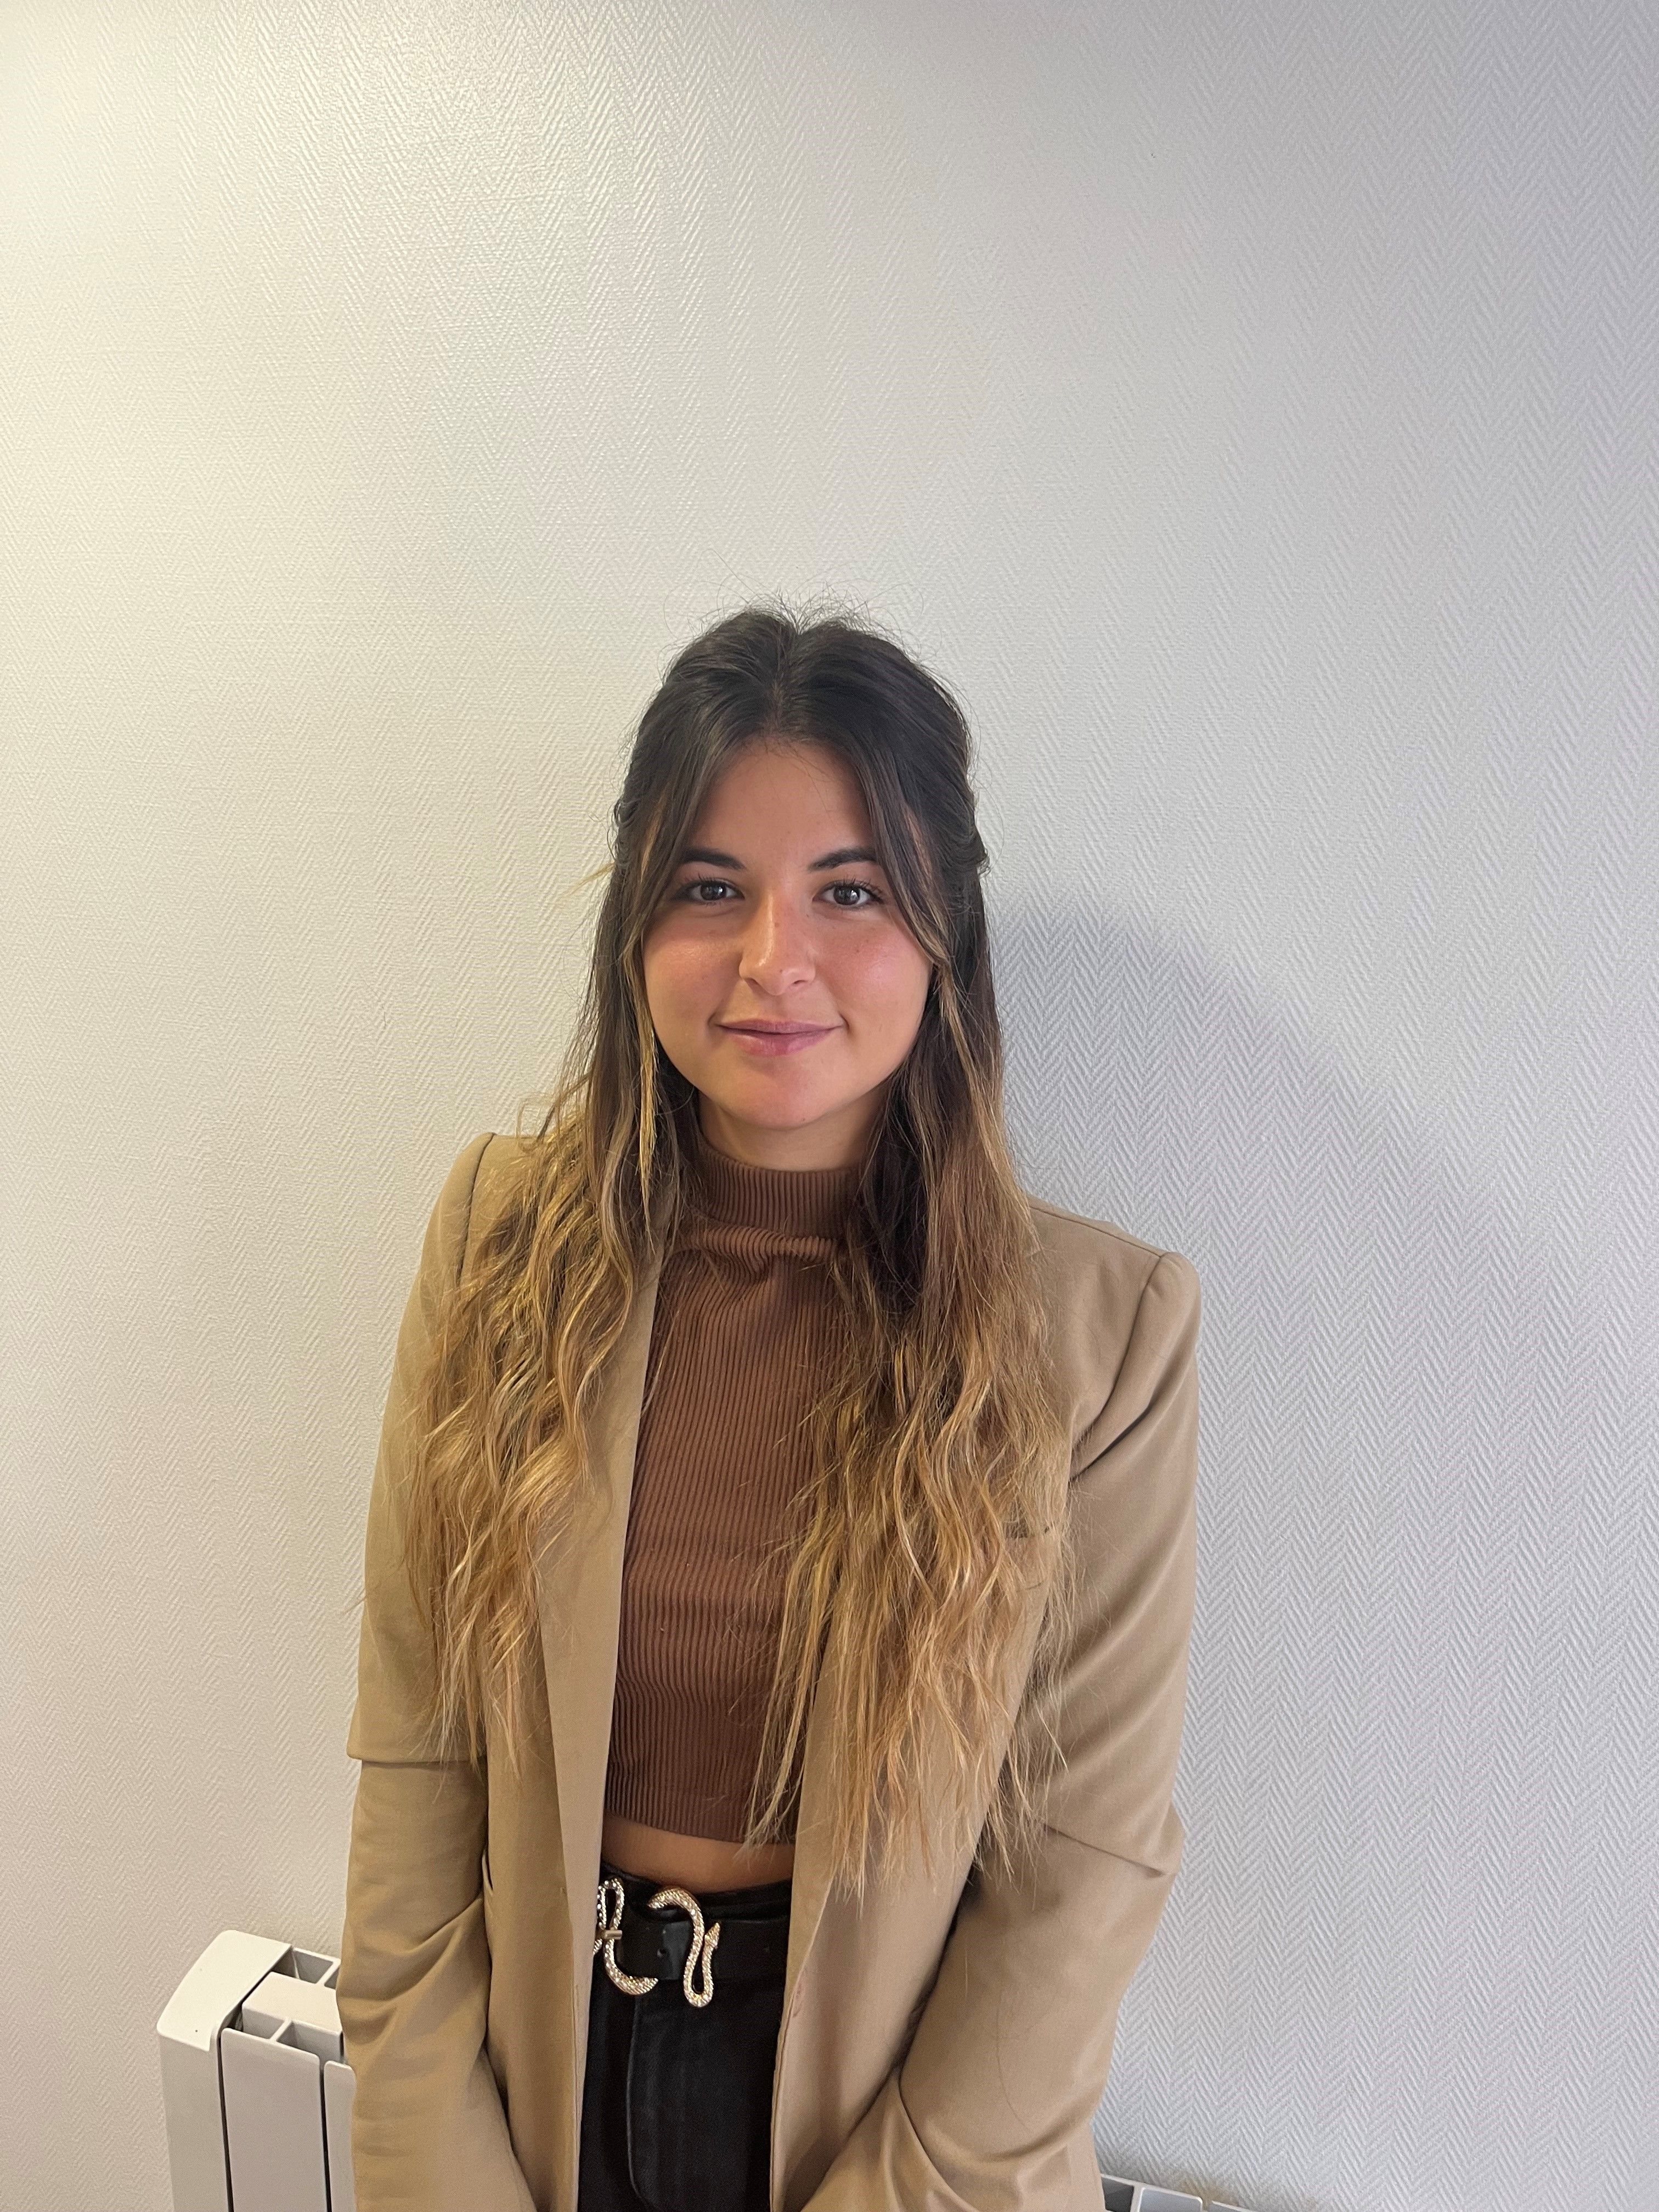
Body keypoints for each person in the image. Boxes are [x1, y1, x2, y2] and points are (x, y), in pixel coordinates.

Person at [337, 603, 1203, 2212]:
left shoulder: (1101, 1337)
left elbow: (1081, 1871)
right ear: (635, 928)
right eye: (709, 887)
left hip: (890, 2134)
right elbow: (417, 1763)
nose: (771, 960)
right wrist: (433, 2159)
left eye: (849, 891)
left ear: (943, 932)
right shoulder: (497, 1248)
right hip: (535, 2083)